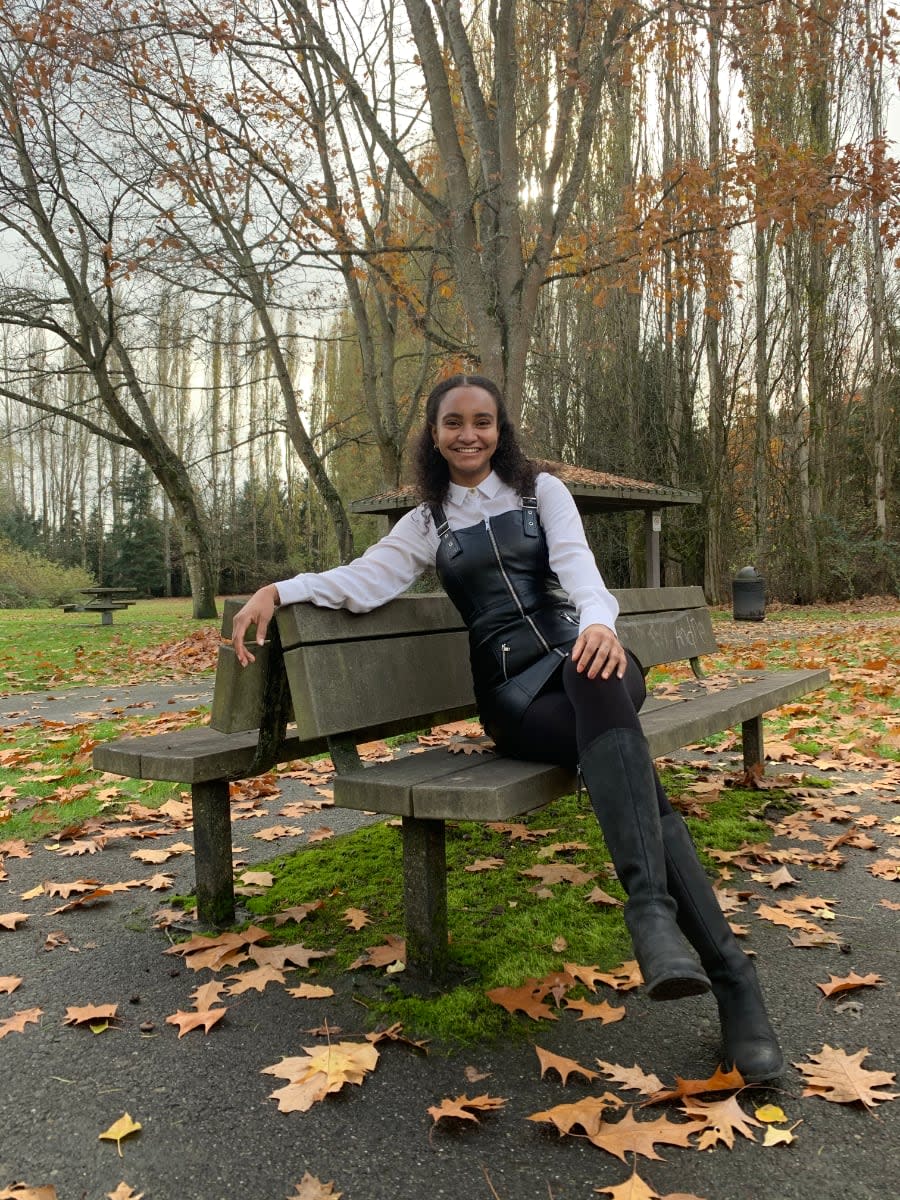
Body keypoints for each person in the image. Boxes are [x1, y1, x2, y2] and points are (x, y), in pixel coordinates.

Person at [231, 373, 783, 1083]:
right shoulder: (428, 521)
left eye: (483, 421)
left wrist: (599, 627)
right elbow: (364, 580)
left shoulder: (540, 492)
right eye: (454, 423)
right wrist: (281, 589)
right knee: (629, 766)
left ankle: (653, 910)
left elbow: (580, 570)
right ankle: (728, 978)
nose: (469, 434)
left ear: (502, 429)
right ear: (433, 434)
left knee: (597, 676)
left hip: (586, 661)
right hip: (518, 702)